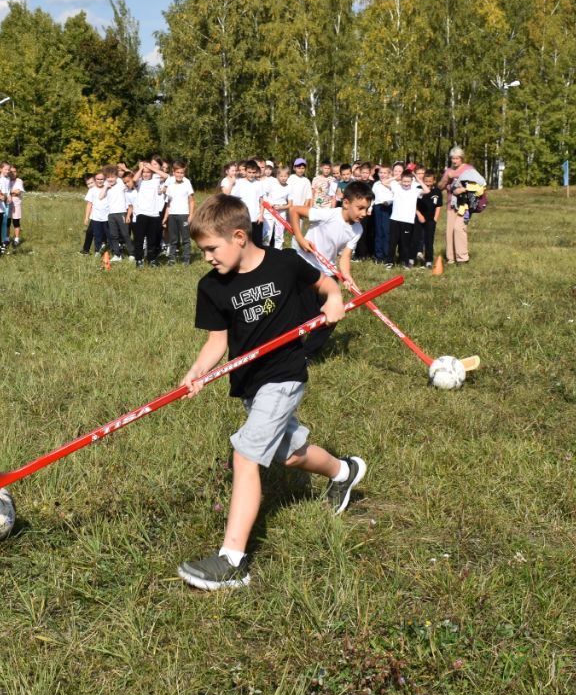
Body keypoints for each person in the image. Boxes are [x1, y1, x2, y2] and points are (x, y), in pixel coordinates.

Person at [175, 194, 366, 591]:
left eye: (211, 248)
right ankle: (344, 471)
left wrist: (334, 300)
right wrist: (195, 373)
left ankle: (232, 561)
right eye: (203, 250)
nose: (207, 257)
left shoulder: (284, 264)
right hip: (249, 382)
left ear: (239, 236)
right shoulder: (211, 287)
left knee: (246, 454)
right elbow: (217, 342)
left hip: (284, 375)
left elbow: (324, 284)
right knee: (288, 453)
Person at [291, 181, 373, 357]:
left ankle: (306, 355)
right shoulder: (328, 214)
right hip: (304, 265)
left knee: (333, 313)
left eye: (366, 209)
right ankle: (290, 349)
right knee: (306, 315)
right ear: (346, 203)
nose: (364, 213)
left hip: (326, 271)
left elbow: (344, 257)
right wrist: (300, 238)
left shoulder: (357, 229)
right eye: (360, 208)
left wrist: (347, 277)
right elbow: (294, 211)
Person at [439, 146, 474, 264]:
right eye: (452, 158)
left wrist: (462, 189)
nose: (454, 161)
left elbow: (479, 185)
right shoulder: (448, 170)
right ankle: (451, 258)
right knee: (450, 232)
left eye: (457, 158)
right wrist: (446, 178)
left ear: (462, 158)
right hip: (451, 205)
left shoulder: (469, 169)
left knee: (459, 229)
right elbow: (440, 187)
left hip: (464, 205)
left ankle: (463, 258)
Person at [163, 160, 195, 264]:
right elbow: (168, 204)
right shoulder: (170, 184)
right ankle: (171, 259)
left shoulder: (187, 182)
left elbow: (191, 200)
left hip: (183, 215)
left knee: (185, 238)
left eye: (182, 173)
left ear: (184, 173)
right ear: (173, 172)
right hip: (172, 215)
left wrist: (191, 215)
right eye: (178, 172)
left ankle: (186, 259)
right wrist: (165, 217)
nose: (180, 175)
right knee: (173, 239)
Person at [389, 169, 420, 269]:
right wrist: (396, 177)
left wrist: (417, 178)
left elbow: (427, 190)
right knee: (393, 242)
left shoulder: (415, 189)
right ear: (401, 181)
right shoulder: (396, 187)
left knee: (405, 243)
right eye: (404, 181)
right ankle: (389, 262)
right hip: (395, 219)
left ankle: (405, 262)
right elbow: (384, 182)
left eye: (408, 181)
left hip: (408, 221)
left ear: (412, 181)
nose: (406, 184)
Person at [415, 169, 442, 264]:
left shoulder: (437, 191)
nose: (428, 183)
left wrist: (435, 219)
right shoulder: (418, 188)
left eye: (430, 181)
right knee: (417, 237)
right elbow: (414, 204)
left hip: (431, 220)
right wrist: (419, 215)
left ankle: (429, 260)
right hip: (419, 218)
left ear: (434, 181)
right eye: (426, 181)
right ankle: (416, 256)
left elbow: (438, 206)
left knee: (429, 240)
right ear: (423, 180)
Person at [83, 171, 111, 255]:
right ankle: (95, 250)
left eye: (91, 182)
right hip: (96, 217)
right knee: (95, 234)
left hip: (107, 217)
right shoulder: (92, 191)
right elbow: (89, 204)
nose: (99, 181)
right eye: (88, 184)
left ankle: (110, 249)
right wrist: (86, 217)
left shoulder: (107, 188)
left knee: (108, 234)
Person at [7, 164, 24, 246]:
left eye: (14, 171)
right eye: (11, 172)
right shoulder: (6, 180)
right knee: (7, 222)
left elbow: (18, 192)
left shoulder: (19, 181)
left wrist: (8, 193)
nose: (13, 173)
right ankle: (6, 238)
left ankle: (16, 239)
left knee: (16, 222)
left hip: (16, 205)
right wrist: (12, 192)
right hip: (7, 205)